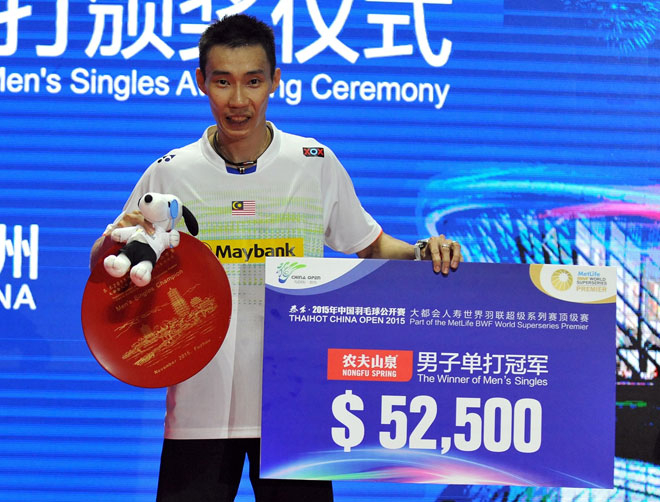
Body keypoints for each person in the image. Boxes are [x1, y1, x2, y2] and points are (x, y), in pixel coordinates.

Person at [89, 13, 462, 502]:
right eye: (222, 82)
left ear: (275, 82)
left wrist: (422, 251)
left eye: (253, 82)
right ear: (200, 81)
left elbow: (369, 245)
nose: (238, 101)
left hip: (293, 405)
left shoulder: (313, 163)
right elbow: (110, 259)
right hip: (198, 410)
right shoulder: (170, 174)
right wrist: (108, 245)